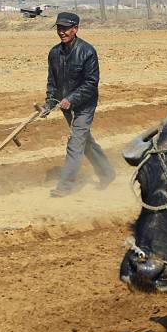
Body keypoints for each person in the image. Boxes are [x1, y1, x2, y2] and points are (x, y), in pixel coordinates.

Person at [40, 11, 114, 197]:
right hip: (66, 105)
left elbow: (91, 83)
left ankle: (64, 187)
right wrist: (49, 103)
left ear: (75, 29)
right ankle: (108, 173)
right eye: (59, 28)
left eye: (65, 29)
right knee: (85, 141)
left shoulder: (87, 52)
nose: (61, 32)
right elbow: (52, 82)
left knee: (75, 142)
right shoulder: (54, 53)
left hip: (85, 104)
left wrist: (71, 99)